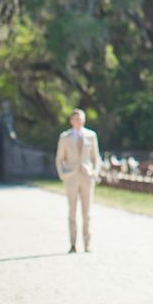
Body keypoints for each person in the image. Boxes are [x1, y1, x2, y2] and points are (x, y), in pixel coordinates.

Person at [55, 108, 101, 253]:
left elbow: (96, 157)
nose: (78, 121)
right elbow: (59, 158)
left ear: (84, 120)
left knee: (87, 213)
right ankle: (73, 243)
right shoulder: (65, 137)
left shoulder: (91, 135)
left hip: (86, 177)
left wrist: (94, 172)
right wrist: (63, 174)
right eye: (75, 119)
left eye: (80, 118)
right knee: (72, 212)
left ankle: (87, 243)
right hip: (71, 178)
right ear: (71, 121)